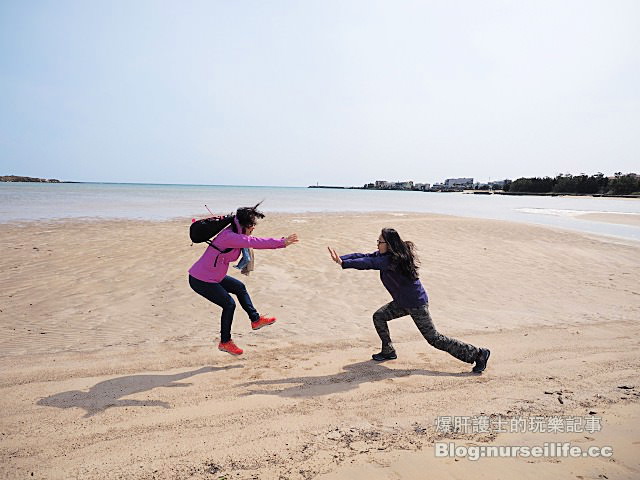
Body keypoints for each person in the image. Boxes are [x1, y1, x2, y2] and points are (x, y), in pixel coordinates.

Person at [328, 228, 490, 373]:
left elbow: (369, 263)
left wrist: (344, 263)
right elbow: (364, 256)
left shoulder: (392, 260)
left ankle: (478, 354)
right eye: (377, 241)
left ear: (389, 244)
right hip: (402, 302)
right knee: (379, 316)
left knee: (434, 338)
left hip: (416, 303)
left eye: (380, 241)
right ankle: (388, 351)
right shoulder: (384, 256)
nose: (377, 244)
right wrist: (342, 259)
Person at [189, 203, 298, 355]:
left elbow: (249, 241)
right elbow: (255, 242)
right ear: (244, 225)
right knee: (229, 304)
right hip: (200, 279)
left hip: (213, 276)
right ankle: (225, 342)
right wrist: (281, 242)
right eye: (252, 225)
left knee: (239, 287)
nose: (253, 228)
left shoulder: (234, 233)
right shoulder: (231, 237)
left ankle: (255, 320)